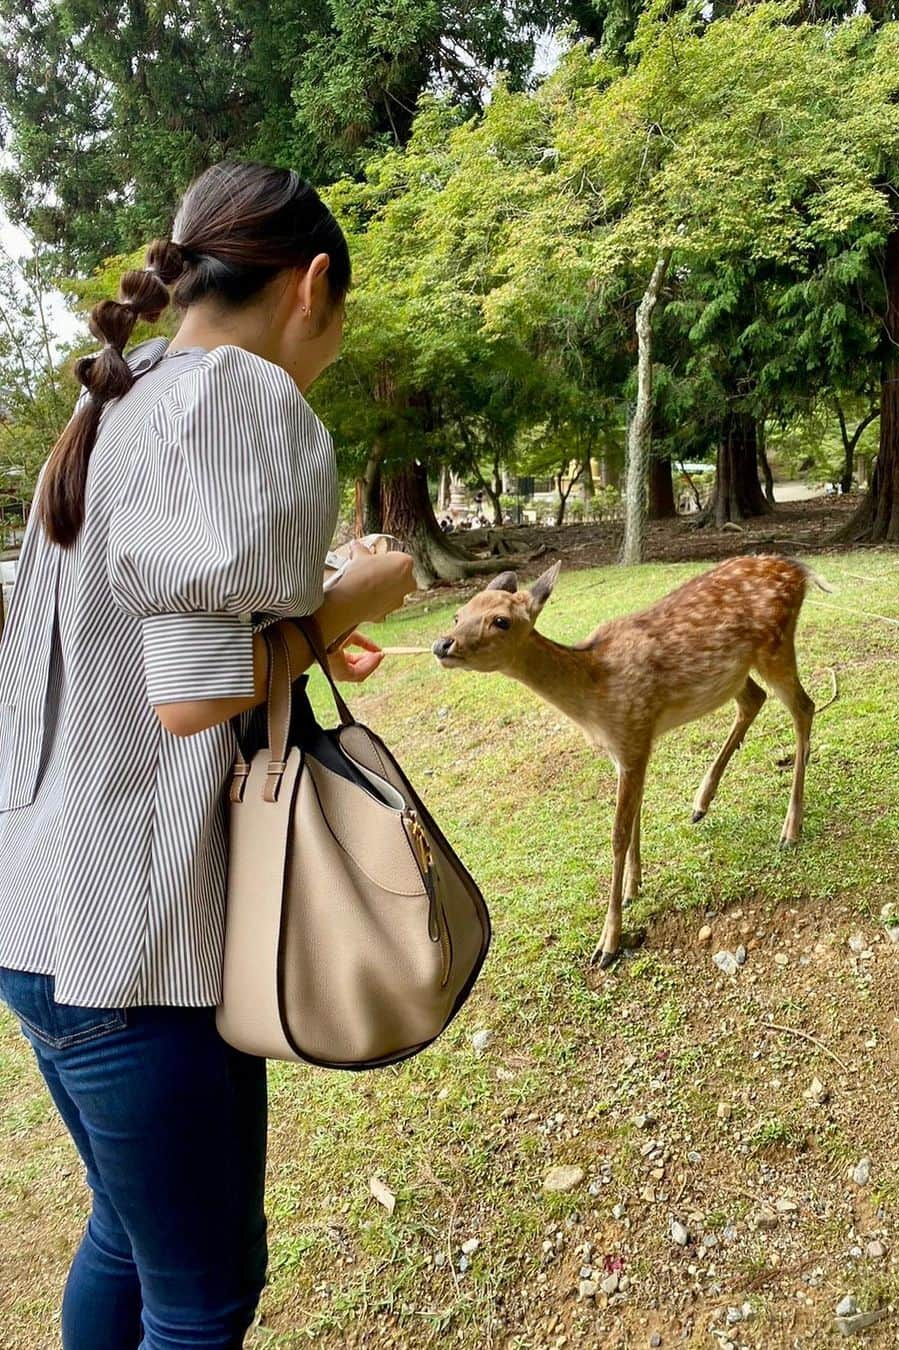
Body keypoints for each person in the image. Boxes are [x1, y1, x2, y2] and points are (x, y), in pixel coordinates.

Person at [0, 162, 415, 1349]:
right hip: (133, 952)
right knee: (202, 1302)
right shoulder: (233, 397)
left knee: (123, 1240)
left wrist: (306, 618)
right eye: (339, 320)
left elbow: (139, 646)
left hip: (35, 920)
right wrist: (354, 602)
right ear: (313, 285)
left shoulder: (115, 402)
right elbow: (189, 702)